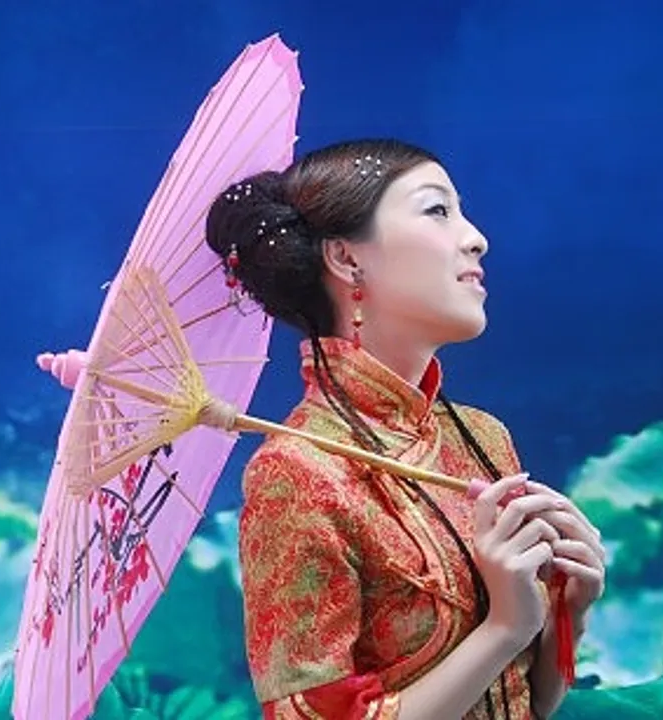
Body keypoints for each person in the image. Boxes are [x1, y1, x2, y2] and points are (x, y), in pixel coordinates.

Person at [201, 140, 607, 719]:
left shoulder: (481, 436)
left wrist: (571, 609)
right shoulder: (296, 474)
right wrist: (504, 628)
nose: (476, 238)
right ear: (346, 259)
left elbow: (531, 702)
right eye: (437, 210)